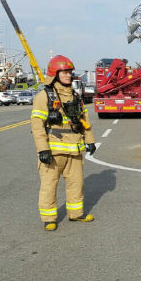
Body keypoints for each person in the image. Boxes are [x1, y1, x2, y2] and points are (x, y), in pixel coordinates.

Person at [30, 55, 96, 231]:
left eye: (70, 72)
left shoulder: (74, 95)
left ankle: (76, 213)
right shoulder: (43, 97)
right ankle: (49, 218)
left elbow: (84, 120)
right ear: (54, 74)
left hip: (74, 149)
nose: (69, 75)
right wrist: (43, 149)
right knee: (49, 185)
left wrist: (90, 140)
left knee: (77, 183)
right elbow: (37, 126)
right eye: (65, 72)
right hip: (53, 151)